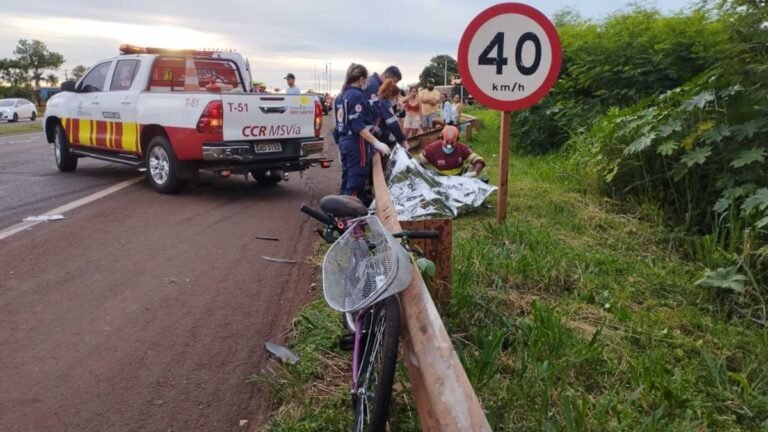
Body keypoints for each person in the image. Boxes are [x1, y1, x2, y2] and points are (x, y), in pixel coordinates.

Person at [333, 63, 391, 204]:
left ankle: (340, 210)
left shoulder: (341, 95)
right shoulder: (357, 96)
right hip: (355, 142)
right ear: (360, 79)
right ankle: (350, 215)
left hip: (344, 140)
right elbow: (358, 125)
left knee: (347, 178)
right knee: (356, 178)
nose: (367, 83)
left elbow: (338, 124)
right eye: (366, 80)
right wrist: (376, 142)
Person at [414, 125, 485, 177]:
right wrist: (426, 174)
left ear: (457, 139)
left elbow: (478, 160)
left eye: (452, 142)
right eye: (447, 142)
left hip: (458, 177)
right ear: (442, 138)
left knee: (482, 171)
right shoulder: (432, 149)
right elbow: (417, 162)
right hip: (439, 178)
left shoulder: (462, 148)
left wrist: (474, 173)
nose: (449, 145)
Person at [371, 80, 408, 149]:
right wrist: (403, 140)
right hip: (378, 136)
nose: (396, 100)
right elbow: (392, 124)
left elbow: (397, 115)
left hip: (380, 136)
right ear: (391, 95)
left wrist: (401, 110)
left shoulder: (380, 102)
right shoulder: (384, 104)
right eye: (395, 97)